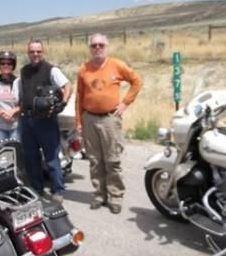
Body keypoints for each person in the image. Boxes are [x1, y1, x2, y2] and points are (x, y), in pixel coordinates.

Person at [75, 33, 142, 214]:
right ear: (89, 48)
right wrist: (79, 122)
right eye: (94, 45)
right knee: (95, 160)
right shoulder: (84, 69)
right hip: (89, 118)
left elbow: (137, 81)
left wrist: (125, 102)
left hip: (110, 119)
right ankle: (99, 195)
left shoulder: (117, 65)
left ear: (107, 46)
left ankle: (115, 196)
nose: (97, 48)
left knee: (112, 160)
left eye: (101, 45)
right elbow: (79, 98)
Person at [19, 39, 71, 204]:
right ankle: (37, 189)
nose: (35, 54)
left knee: (51, 157)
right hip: (27, 120)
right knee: (31, 157)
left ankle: (57, 190)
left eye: (38, 51)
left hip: (46, 121)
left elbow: (67, 85)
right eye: (32, 51)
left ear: (42, 52)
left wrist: (63, 103)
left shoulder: (51, 70)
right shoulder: (24, 71)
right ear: (28, 53)